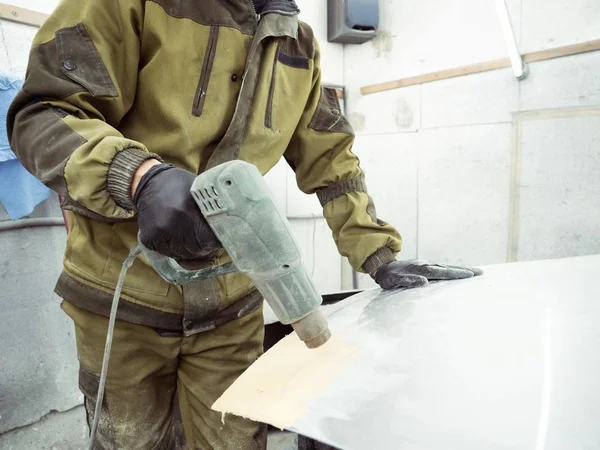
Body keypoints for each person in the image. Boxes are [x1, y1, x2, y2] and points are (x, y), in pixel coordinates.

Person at [7, 0, 482, 448]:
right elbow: (43, 113)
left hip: (231, 309)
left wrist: (378, 256)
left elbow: (331, 159)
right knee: (128, 439)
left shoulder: (296, 43)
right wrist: (137, 176)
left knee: (234, 440)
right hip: (123, 297)